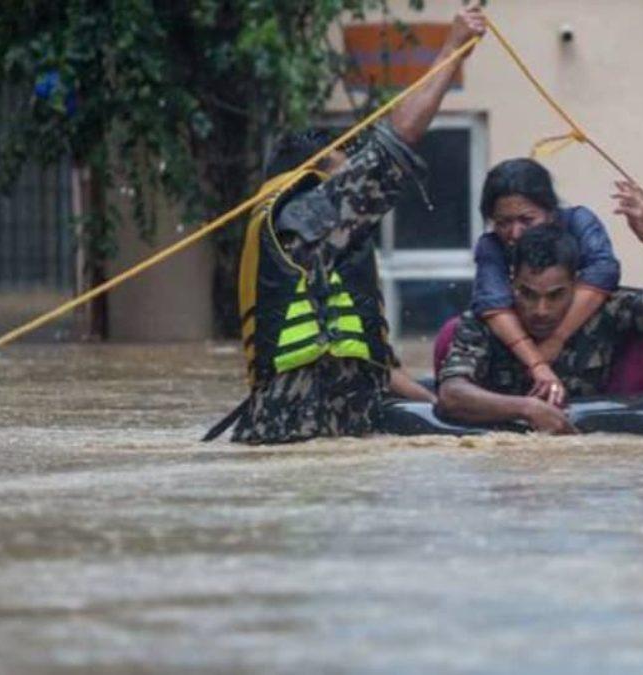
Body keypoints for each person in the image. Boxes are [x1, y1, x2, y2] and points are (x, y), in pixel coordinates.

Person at [206, 3, 486, 444]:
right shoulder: (302, 220)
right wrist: (451, 50)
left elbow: (374, 367)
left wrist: (441, 408)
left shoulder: (307, 239)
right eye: (343, 174)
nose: (351, 183)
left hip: (328, 433)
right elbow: (395, 145)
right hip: (300, 438)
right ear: (315, 175)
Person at [436, 181, 643, 434]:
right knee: (450, 331)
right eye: (528, 295)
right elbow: (452, 394)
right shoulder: (486, 322)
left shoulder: (608, 309)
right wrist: (526, 408)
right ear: (512, 284)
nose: (541, 310)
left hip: (607, 427)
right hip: (512, 424)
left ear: (575, 285)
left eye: (555, 296)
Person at [432, 158, 643, 406]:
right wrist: (536, 363)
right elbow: (492, 303)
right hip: (523, 344)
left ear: (551, 214)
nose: (515, 234)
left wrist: (556, 340)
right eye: (503, 223)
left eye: (527, 220)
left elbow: (603, 274)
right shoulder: (491, 246)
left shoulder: (579, 224)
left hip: (585, 325)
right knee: (451, 332)